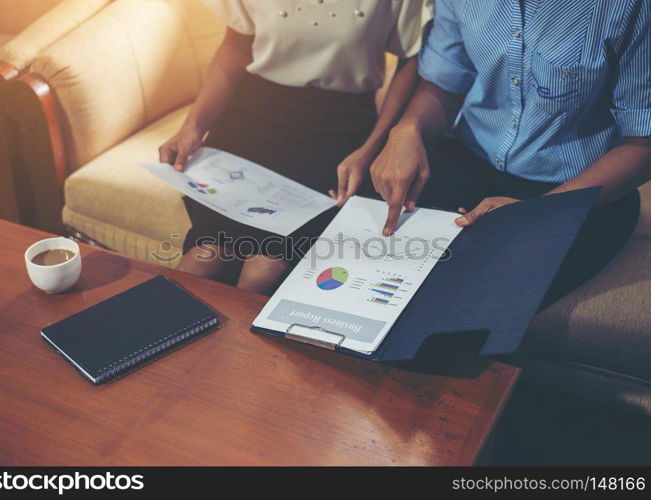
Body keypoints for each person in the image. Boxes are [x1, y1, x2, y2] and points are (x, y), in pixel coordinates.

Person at [370, 0, 651, 307]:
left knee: (468, 302)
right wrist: (409, 128)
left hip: (578, 192)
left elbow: (642, 140)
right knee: (376, 257)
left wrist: (540, 212)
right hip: (471, 160)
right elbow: (446, 83)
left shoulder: (628, 7)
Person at [159, 0, 432, 294]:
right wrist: (193, 127)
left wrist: (372, 147)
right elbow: (236, 44)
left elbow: (411, 61)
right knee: (202, 260)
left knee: (263, 271)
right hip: (250, 119)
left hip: (337, 132)